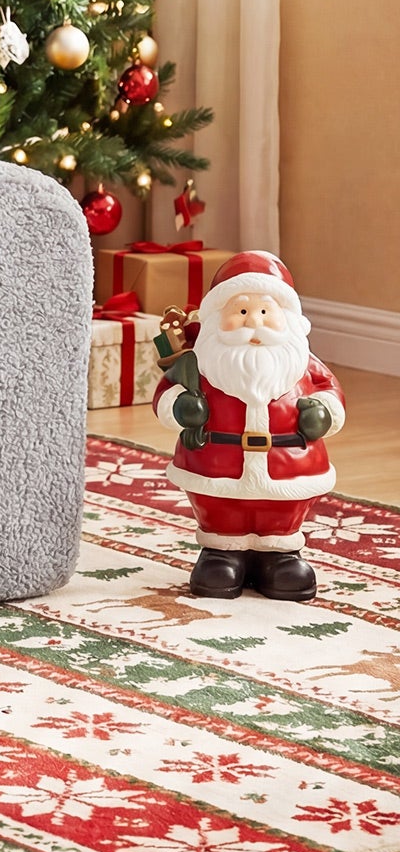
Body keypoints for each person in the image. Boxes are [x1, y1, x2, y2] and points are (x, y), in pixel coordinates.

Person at [154, 250, 343, 602]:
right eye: (240, 311)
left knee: (280, 515)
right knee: (223, 513)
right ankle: (221, 553)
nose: (252, 322)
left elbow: (330, 390)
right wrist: (179, 407)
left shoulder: (301, 362)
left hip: (289, 466)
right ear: (215, 318)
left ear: (286, 318)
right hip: (216, 466)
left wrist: (325, 412)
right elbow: (166, 391)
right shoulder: (202, 362)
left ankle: (280, 555)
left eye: (264, 312)